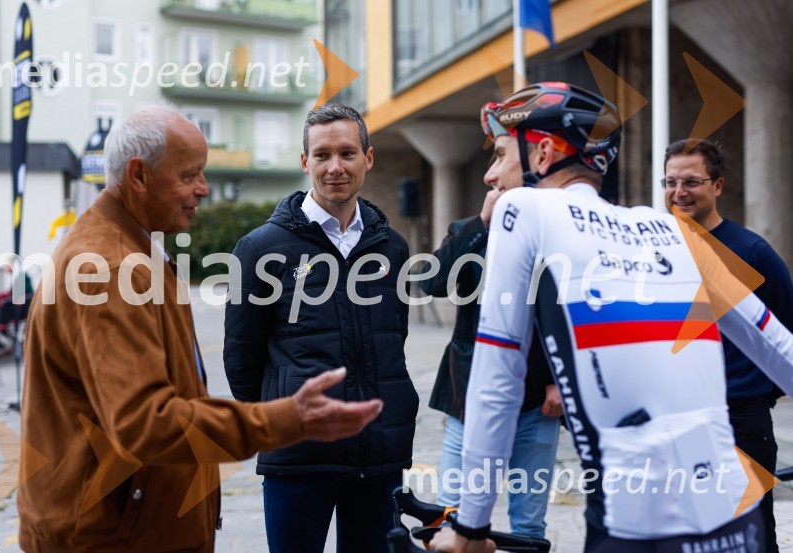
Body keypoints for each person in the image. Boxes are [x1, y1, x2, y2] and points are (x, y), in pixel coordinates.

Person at [426, 82, 793, 553]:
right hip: (734, 517)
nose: (490, 176)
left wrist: (471, 529)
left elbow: (497, 381)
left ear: (542, 154)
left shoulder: (524, 208)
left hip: (636, 527)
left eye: (499, 155)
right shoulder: (668, 228)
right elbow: (778, 348)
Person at [18, 106, 383, 553]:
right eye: (190, 174)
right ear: (139, 176)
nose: (204, 189)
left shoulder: (131, 251)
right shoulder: (111, 268)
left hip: (127, 525)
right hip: (111, 534)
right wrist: (286, 419)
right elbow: (147, 422)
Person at [223, 103, 417, 553]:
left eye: (348, 154)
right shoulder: (259, 248)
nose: (335, 167)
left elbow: (395, 335)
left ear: (369, 159)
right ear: (305, 162)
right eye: (323, 155)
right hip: (298, 457)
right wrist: (276, 422)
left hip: (379, 453)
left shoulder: (392, 247)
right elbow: (241, 356)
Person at [418, 153, 562, 538]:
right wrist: (481, 223)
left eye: (501, 162)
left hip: (538, 403)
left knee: (529, 523)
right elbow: (431, 283)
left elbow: (568, 316)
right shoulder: (470, 231)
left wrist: (558, 381)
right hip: (470, 400)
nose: (489, 178)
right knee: (451, 514)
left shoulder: (557, 234)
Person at [663, 139, 793, 553]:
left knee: (752, 537)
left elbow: (786, 332)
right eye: (670, 181)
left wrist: (755, 393)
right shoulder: (655, 249)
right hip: (673, 423)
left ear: (717, 186)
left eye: (691, 181)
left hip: (741, 423)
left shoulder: (754, 252)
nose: (679, 191)